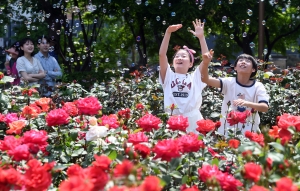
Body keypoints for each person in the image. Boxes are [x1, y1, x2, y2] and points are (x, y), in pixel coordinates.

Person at [159, 19, 212, 134]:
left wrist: (201, 38)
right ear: (172, 62)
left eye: (184, 56)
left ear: (191, 63)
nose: (180, 58)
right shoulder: (168, 76)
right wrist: (168, 33)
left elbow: (206, 59)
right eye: (177, 56)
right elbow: (162, 55)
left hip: (194, 120)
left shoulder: (196, 77)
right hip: (173, 120)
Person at [201, 53, 269, 136]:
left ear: (253, 69)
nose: (243, 62)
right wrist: (205, 63)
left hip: (249, 133)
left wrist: (247, 103)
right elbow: (205, 79)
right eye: (240, 60)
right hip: (226, 131)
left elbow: (264, 107)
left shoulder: (258, 86)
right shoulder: (228, 82)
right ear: (235, 67)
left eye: (247, 61)